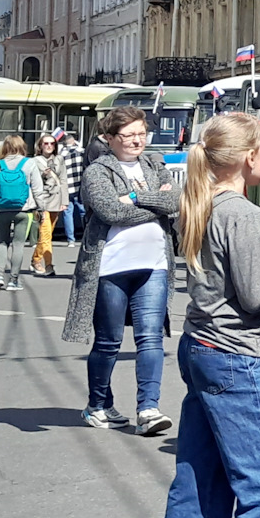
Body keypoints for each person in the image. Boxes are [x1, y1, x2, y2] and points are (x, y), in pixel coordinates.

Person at [166, 112, 260, 518]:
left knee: (200, 477)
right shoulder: (244, 214)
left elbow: (224, 278)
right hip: (234, 355)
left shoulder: (200, 202)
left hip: (200, 345)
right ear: (251, 157)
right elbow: (256, 298)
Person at [62, 106, 176, 436]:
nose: (136, 140)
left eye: (141, 133)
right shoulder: (97, 171)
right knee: (109, 341)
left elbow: (178, 201)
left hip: (154, 264)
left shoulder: (155, 163)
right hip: (110, 266)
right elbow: (111, 212)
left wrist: (135, 198)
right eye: (128, 135)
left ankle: (149, 409)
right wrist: (155, 204)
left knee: (151, 338)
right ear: (109, 138)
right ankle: (98, 405)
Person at [0, 135, 46, 292]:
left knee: (2, 243)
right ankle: (13, 279)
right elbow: (37, 189)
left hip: (2, 210)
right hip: (23, 210)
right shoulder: (29, 163)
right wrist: (41, 208)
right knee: (18, 244)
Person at [30, 133, 68, 276]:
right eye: (46, 143)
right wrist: (43, 175)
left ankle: (35, 260)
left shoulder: (59, 159)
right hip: (42, 201)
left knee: (48, 234)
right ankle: (49, 266)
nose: (49, 146)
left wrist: (65, 201)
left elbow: (63, 180)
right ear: (40, 146)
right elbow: (32, 182)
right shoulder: (34, 161)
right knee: (46, 235)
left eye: (52, 143)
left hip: (56, 201)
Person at [56, 129, 87, 243]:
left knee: (67, 213)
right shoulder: (82, 152)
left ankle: (71, 240)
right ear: (74, 141)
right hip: (80, 187)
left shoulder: (60, 155)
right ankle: (85, 236)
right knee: (83, 212)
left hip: (66, 188)